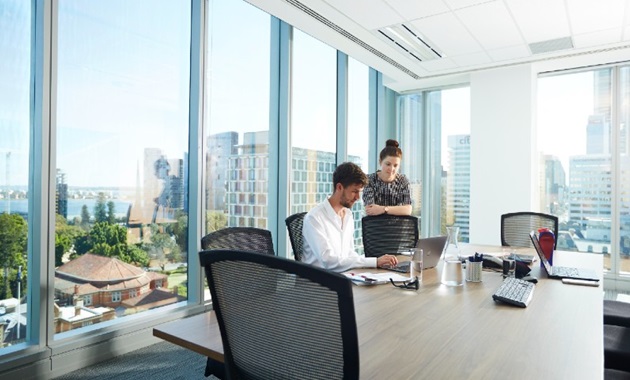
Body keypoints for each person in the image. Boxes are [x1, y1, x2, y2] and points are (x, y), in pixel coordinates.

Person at [302, 162, 398, 273]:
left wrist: (373, 264)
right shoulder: (314, 218)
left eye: (359, 192)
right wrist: (374, 262)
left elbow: (349, 253)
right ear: (339, 187)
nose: (358, 197)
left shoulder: (347, 214)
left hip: (343, 276)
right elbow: (328, 260)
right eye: (354, 191)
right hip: (318, 283)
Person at [363, 139, 412, 216]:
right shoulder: (370, 179)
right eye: (388, 164)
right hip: (375, 226)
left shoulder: (403, 180)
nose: (392, 169)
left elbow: (408, 210)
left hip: (399, 226)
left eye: (396, 165)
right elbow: (370, 210)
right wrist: (398, 210)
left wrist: (383, 209)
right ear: (380, 162)